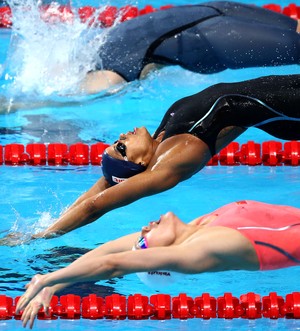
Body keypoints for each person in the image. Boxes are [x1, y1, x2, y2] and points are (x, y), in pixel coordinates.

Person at [0, 73, 299, 246]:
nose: (121, 135)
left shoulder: (160, 139)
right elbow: (96, 205)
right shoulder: (175, 157)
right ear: (141, 164)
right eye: (121, 146)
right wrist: (42, 235)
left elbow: (106, 184)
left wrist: (53, 219)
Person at [16, 200, 300, 328]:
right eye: (146, 238)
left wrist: (58, 280)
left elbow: (107, 250)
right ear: (161, 254)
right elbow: (114, 263)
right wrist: (47, 280)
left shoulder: (197, 226)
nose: (143, 227)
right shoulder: (202, 250)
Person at [1, 1, 300, 112]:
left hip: (203, 33)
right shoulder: (98, 49)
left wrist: (13, 107)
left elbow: (51, 100)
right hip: (210, 14)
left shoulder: (103, 73)